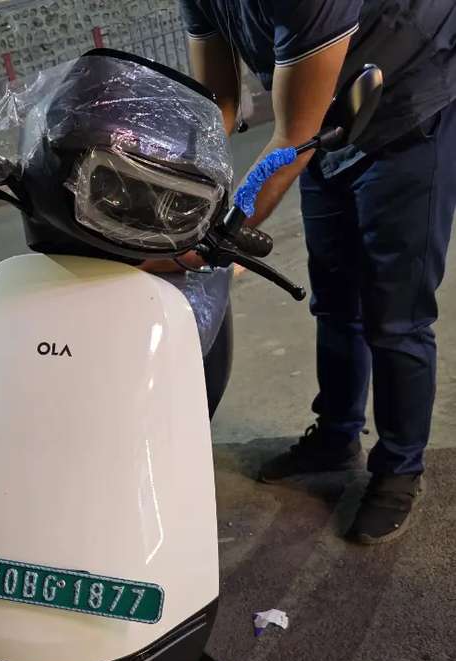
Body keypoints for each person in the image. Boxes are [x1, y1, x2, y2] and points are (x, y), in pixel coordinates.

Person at [177, 0, 456, 543]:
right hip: (327, 116)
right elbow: (219, 104)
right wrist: (179, 189)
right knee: (334, 300)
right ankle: (336, 435)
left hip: (408, 103)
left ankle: (399, 468)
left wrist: (217, 236)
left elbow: (291, 137)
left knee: (395, 317)